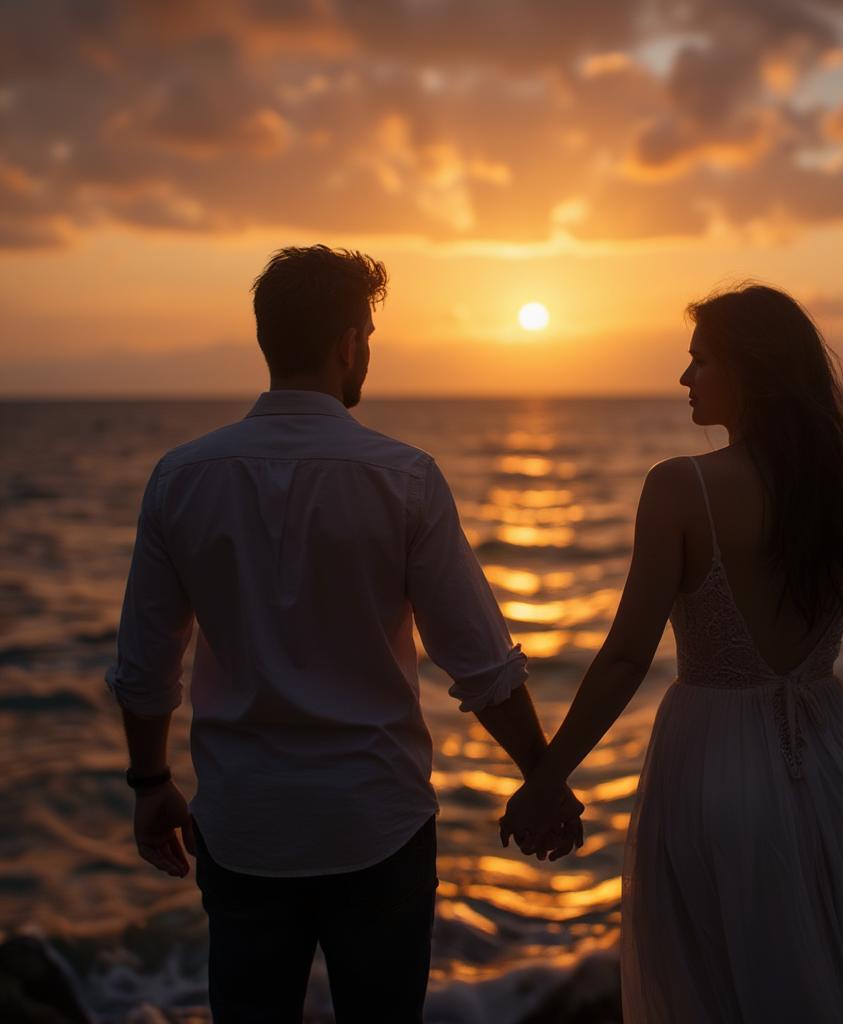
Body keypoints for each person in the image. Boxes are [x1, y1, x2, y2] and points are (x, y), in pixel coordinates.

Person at [105, 244, 583, 1024]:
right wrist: (541, 774)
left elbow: (146, 667)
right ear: (348, 343)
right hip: (377, 823)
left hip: (244, 824)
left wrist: (149, 783)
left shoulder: (182, 477)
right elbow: (480, 663)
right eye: (369, 335)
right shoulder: (404, 477)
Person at [499, 284, 843, 1021]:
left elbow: (628, 658)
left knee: (716, 987)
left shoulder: (680, 487)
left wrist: (546, 777)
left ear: (751, 370)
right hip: (835, 767)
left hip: (711, 768)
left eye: (700, 361)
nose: (685, 378)